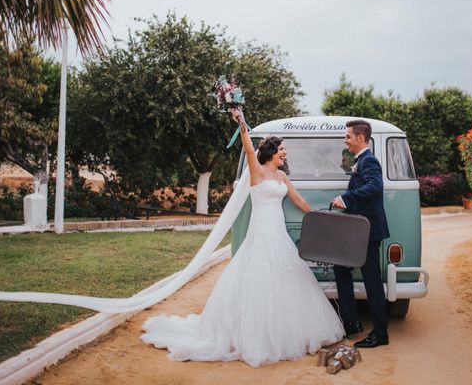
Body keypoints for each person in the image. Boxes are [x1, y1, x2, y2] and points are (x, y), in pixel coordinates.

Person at [141, 108, 344, 367]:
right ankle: (253, 334)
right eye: (282, 149)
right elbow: (249, 148)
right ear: (271, 151)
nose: (285, 153)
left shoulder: (282, 176)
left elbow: (298, 199)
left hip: (277, 230)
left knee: (285, 275)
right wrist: (241, 121)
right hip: (261, 231)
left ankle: (281, 330)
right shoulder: (257, 171)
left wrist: (319, 216)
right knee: (257, 275)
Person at [331, 119, 390, 348]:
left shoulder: (369, 160)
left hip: (368, 230)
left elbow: (375, 186)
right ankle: (352, 322)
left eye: (347, 136)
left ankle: (380, 334)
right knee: (341, 266)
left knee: (372, 281)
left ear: (360, 138)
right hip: (358, 229)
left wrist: (346, 198)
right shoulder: (360, 160)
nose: (345, 140)